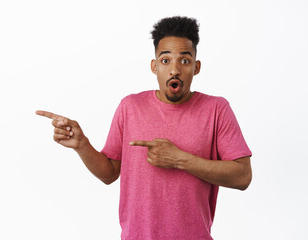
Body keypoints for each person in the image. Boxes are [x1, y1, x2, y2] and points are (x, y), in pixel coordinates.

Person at [36, 16, 252, 240]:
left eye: (184, 61)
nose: (175, 70)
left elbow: (243, 176)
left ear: (196, 67)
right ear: (154, 66)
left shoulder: (217, 109)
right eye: (166, 60)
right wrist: (82, 145)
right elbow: (109, 173)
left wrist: (179, 159)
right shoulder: (130, 107)